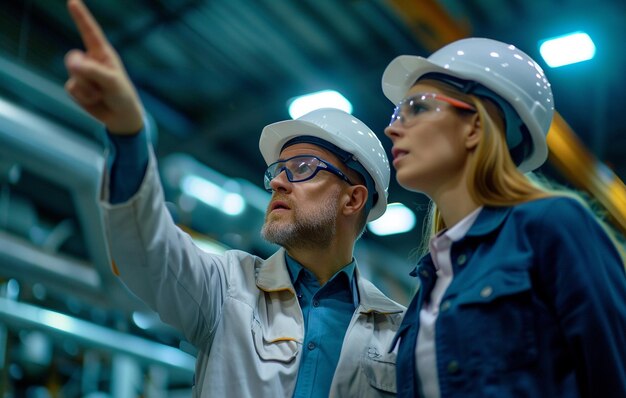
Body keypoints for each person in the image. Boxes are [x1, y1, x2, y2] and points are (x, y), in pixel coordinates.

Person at [63, 0, 405, 397]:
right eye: (278, 170)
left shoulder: (398, 332)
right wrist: (129, 133)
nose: (278, 182)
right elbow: (147, 252)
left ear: (353, 200)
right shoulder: (226, 288)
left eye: (303, 168)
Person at [381, 37, 626, 397]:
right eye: (396, 114)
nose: (392, 128)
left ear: (475, 127)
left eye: (417, 108)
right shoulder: (431, 277)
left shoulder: (552, 225)